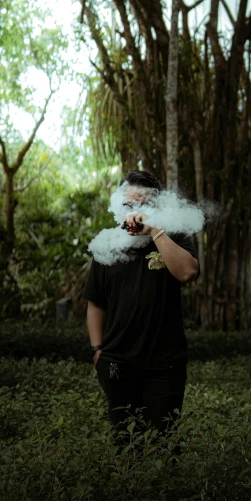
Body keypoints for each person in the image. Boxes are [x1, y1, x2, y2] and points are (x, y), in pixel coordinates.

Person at [83, 170, 199, 456]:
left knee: (164, 444)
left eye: (143, 205)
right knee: (125, 445)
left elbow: (187, 272)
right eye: (129, 205)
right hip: (117, 363)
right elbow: (95, 303)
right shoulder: (107, 245)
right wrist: (97, 350)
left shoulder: (172, 236)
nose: (134, 212)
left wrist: (155, 230)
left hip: (165, 364)